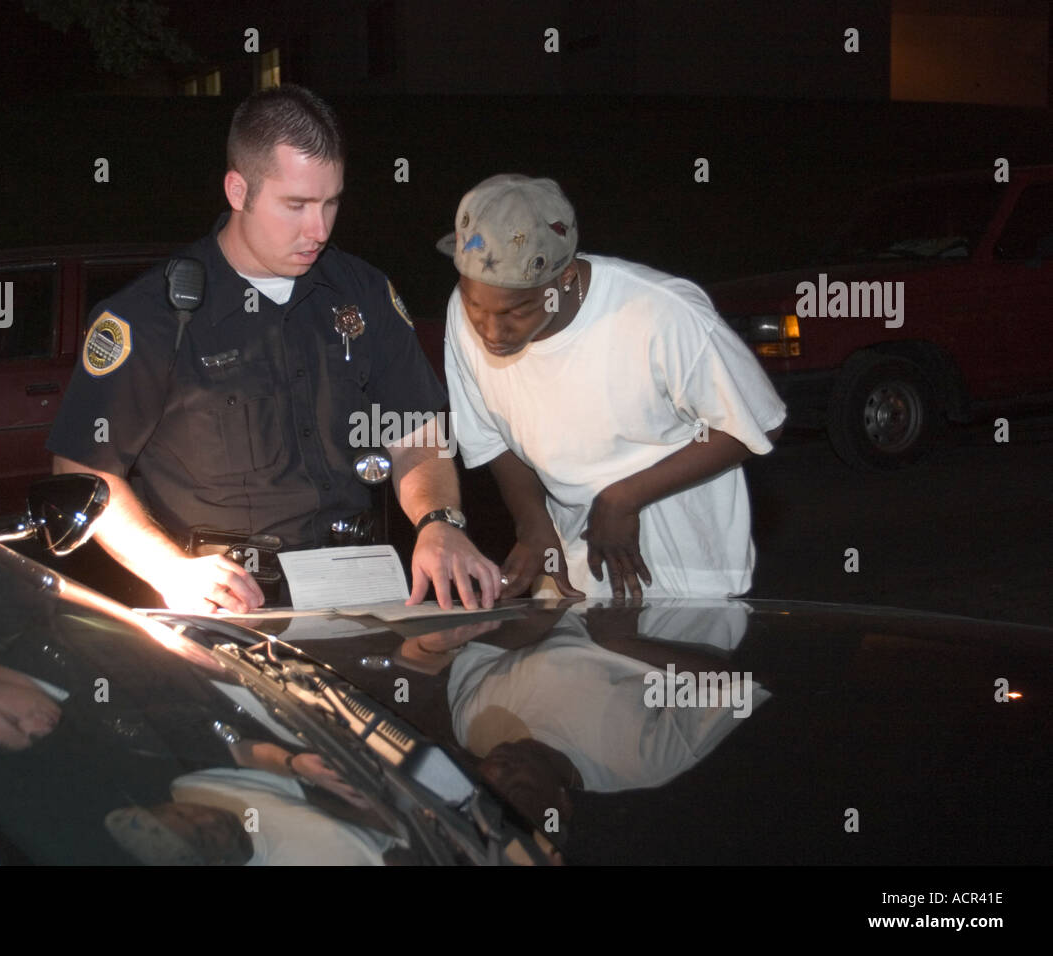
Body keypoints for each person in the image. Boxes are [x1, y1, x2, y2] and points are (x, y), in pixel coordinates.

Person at [47, 85, 501, 614]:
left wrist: (437, 522)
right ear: (238, 191)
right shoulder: (151, 316)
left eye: (331, 203)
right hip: (232, 600)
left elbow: (413, 430)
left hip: (362, 581)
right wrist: (169, 569)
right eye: (296, 205)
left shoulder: (363, 292)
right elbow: (84, 468)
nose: (319, 229)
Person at [440, 174, 787, 601]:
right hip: (576, 574)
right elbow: (492, 437)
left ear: (564, 278)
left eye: (518, 310)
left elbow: (760, 422)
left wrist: (625, 496)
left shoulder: (659, 314)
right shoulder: (463, 315)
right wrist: (532, 525)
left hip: (691, 578)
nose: (491, 330)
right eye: (476, 304)